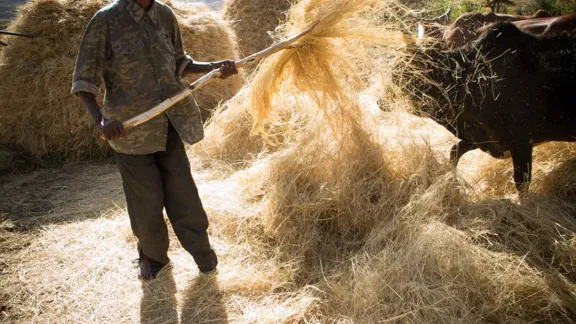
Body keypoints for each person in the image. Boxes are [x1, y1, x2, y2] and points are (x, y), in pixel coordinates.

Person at [71, 0, 238, 280]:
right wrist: (101, 121)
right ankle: (152, 258)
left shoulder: (164, 15)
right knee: (145, 201)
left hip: (170, 123)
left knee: (184, 193)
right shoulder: (106, 21)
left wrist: (214, 67)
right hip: (131, 134)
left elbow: (180, 62)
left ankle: (202, 254)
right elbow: (84, 79)